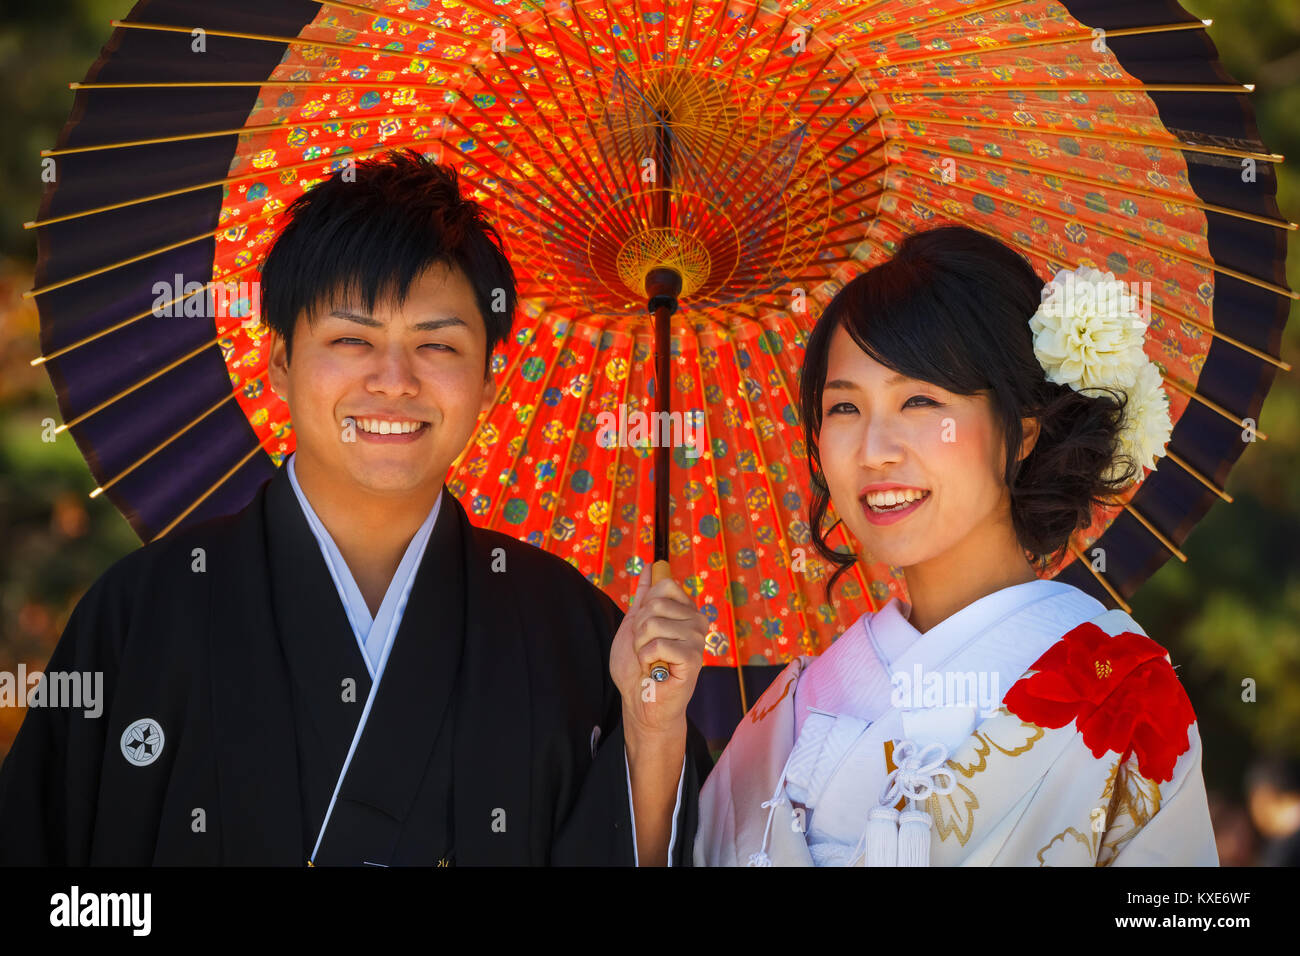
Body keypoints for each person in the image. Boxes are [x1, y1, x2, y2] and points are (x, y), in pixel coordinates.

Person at [0, 149, 710, 866]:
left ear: (490, 379)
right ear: (280, 360)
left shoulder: (570, 629)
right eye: (351, 340)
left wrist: (651, 734)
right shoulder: (143, 614)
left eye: (437, 344)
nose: (395, 381)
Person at [695, 225, 1218, 866]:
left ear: (1022, 430)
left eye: (920, 400)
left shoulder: (1120, 692)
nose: (874, 451)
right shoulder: (793, 709)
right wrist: (653, 743)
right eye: (844, 408)